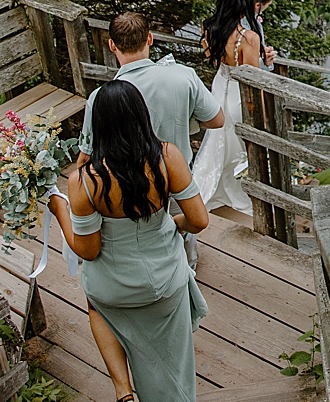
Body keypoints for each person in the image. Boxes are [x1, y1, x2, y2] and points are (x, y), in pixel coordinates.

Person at [49, 81, 210, 402]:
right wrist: (172, 225)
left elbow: (88, 250)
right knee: (174, 365)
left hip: (113, 290)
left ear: (99, 126)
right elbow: (199, 220)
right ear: (141, 115)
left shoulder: (83, 181)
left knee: (96, 305)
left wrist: (59, 212)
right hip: (166, 283)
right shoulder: (168, 158)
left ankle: (123, 389)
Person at [78, 12, 224, 268]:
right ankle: (186, 272)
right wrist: (187, 120)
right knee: (185, 238)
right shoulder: (184, 76)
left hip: (127, 187)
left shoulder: (101, 98)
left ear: (112, 45)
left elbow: (87, 155)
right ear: (150, 39)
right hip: (177, 179)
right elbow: (216, 119)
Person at [191, 0, 271, 212]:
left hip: (219, 84)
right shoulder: (249, 38)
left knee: (218, 138)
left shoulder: (209, 27)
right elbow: (253, 81)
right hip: (238, 91)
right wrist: (262, 113)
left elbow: (211, 57)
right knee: (240, 140)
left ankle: (209, 186)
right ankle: (237, 188)